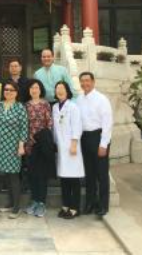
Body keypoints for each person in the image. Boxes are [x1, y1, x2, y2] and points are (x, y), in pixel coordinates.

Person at [76, 72, 113, 217]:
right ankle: (90, 203)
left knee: (102, 174)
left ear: (93, 82)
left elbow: (107, 123)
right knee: (89, 174)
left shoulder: (101, 99)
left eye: (87, 80)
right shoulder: (79, 99)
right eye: (82, 81)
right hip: (85, 138)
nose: (85, 83)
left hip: (98, 137)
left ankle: (103, 206)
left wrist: (104, 144)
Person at [0, 81, 28, 219]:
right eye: (6, 90)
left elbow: (24, 127)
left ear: (16, 92)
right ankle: (10, 203)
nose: (8, 92)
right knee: (6, 175)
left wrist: (21, 145)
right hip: (1, 145)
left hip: (14, 146)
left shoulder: (20, 107)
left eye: (11, 90)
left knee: (14, 175)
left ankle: (16, 207)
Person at [53, 81, 84, 219]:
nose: (59, 91)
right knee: (64, 179)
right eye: (57, 88)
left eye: (62, 88)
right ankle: (65, 205)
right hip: (60, 147)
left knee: (73, 179)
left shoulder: (73, 107)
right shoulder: (54, 107)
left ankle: (75, 208)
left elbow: (77, 126)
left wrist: (74, 144)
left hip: (72, 147)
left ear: (67, 91)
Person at [24, 79, 54, 218]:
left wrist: (41, 138)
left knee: (42, 175)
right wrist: (29, 138)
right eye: (32, 88)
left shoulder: (45, 104)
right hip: (30, 144)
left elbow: (49, 124)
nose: (34, 90)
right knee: (32, 174)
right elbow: (23, 124)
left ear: (40, 89)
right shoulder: (26, 105)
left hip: (42, 144)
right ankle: (34, 201)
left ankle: (42, 203)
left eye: (36, 87)